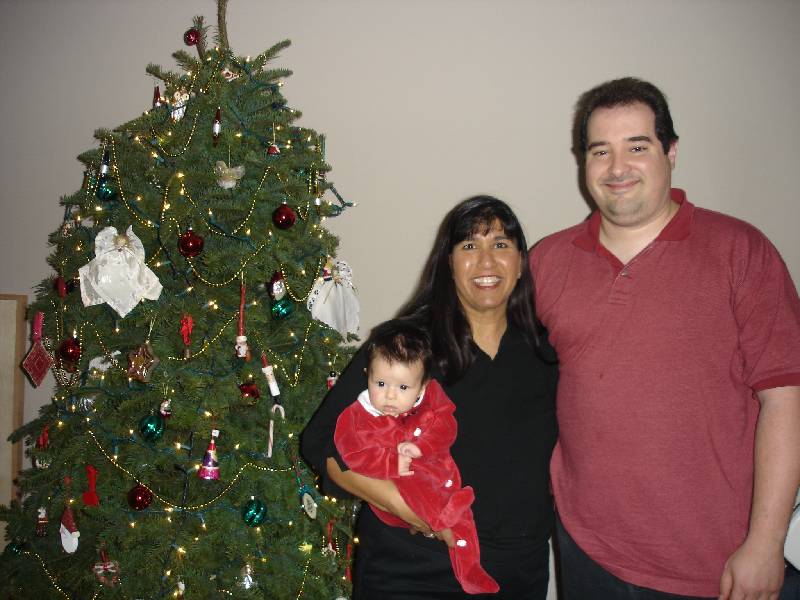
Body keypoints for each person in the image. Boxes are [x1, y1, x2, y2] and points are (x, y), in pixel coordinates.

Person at [530, 76, 800, 599]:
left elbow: (786, 398)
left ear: (671, 152)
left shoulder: (740, 251)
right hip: (588, 550)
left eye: (637, 146)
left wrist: (766, 544)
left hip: (715, 563)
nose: (617, 168)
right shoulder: (548, 261)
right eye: (600, 151)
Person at [302, 195, 558, 599]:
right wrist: (413, 510)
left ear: (521, 262)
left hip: (518, 571)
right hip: (415, 569)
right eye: (470, 246)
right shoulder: (406, 346)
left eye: (501, 244)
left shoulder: (548, 349)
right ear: (448, 262)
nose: (487, 261)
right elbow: (321, 443)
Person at [334, 319, 499, 594]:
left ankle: (471, 570)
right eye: (380, 383)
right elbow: (351, 454)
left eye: (403, 388)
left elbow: (447, 426)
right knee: (451, 516)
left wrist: (424, 446)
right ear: (367, 375)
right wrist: (390, 463)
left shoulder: (432, 399)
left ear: (422, 387)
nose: (389, 396)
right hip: (397, 488)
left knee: (465, 521)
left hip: (440, 474)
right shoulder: (357, 416)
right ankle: (446, 525)